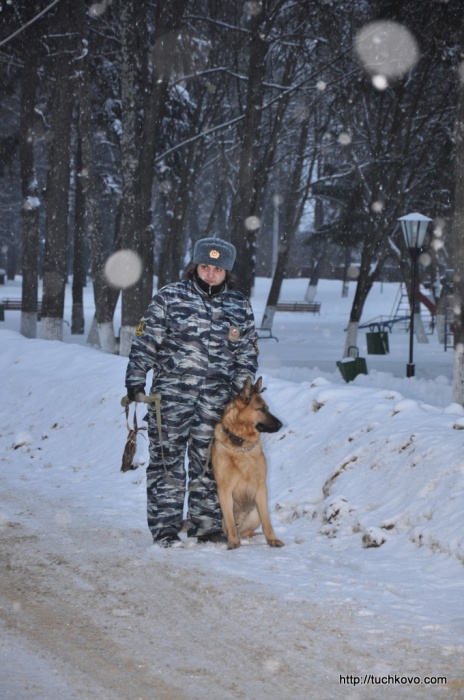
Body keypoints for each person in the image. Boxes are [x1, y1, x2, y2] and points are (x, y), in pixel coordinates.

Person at [124, 237, 259, 547]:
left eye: (217, 269)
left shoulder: (239, 306)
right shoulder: (170, 298)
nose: (210, 274)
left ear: (228, 272)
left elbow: (246, 356)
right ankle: (165, 529)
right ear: (195, 267)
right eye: (205, 267)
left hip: (215, 404)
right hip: (170, 401)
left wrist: (242, 397)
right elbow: (146, 341)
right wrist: (135, 379)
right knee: (166, 463)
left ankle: (206, 526)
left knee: (211, 464)